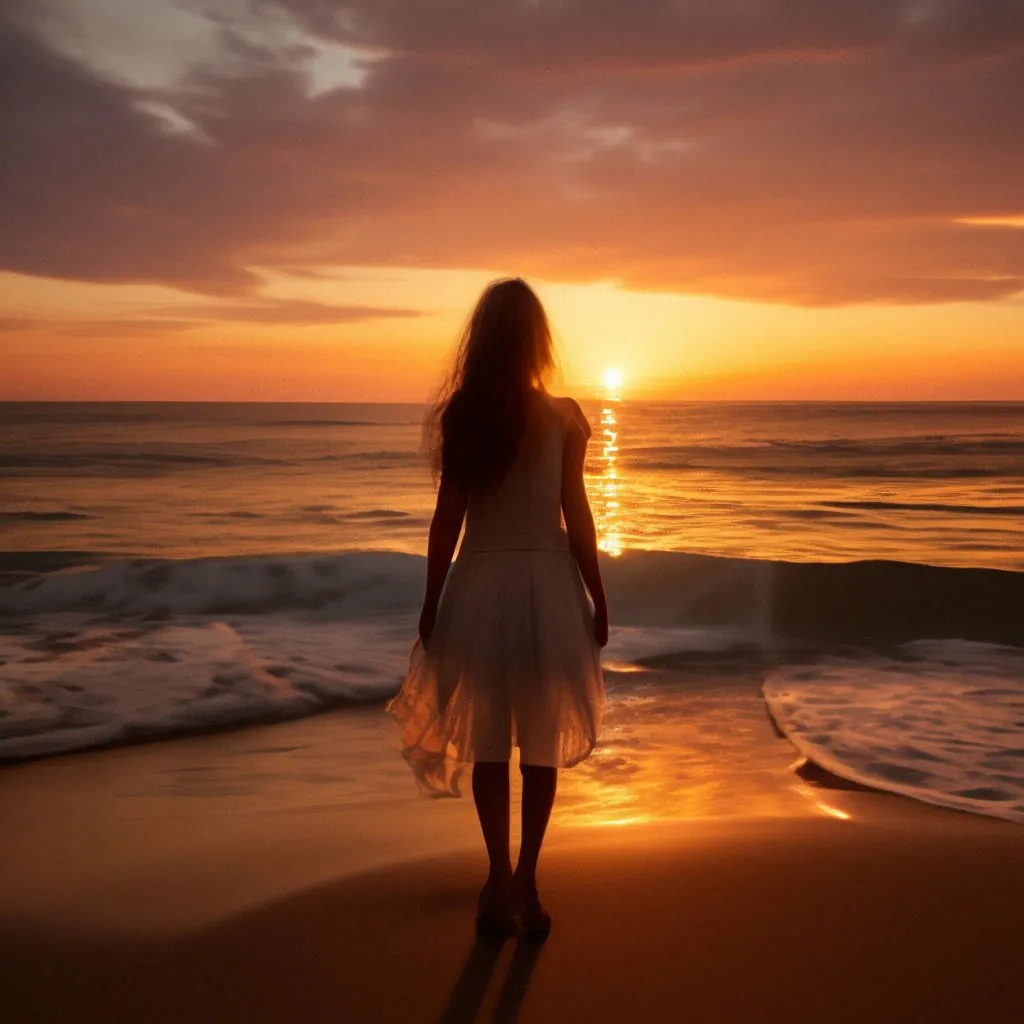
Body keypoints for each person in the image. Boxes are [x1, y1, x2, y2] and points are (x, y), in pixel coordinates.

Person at [388, 277, 607, 938]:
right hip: (547, 591)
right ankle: (528, 883)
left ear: (482, 340)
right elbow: (577, 517)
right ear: (538, 339)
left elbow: (446, 519)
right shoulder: (565, 416)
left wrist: (431, 603)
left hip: (480, 587)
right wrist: (599, 595)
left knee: (489, 743)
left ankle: (496, 878)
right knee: (538, 743)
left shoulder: (465, 416)